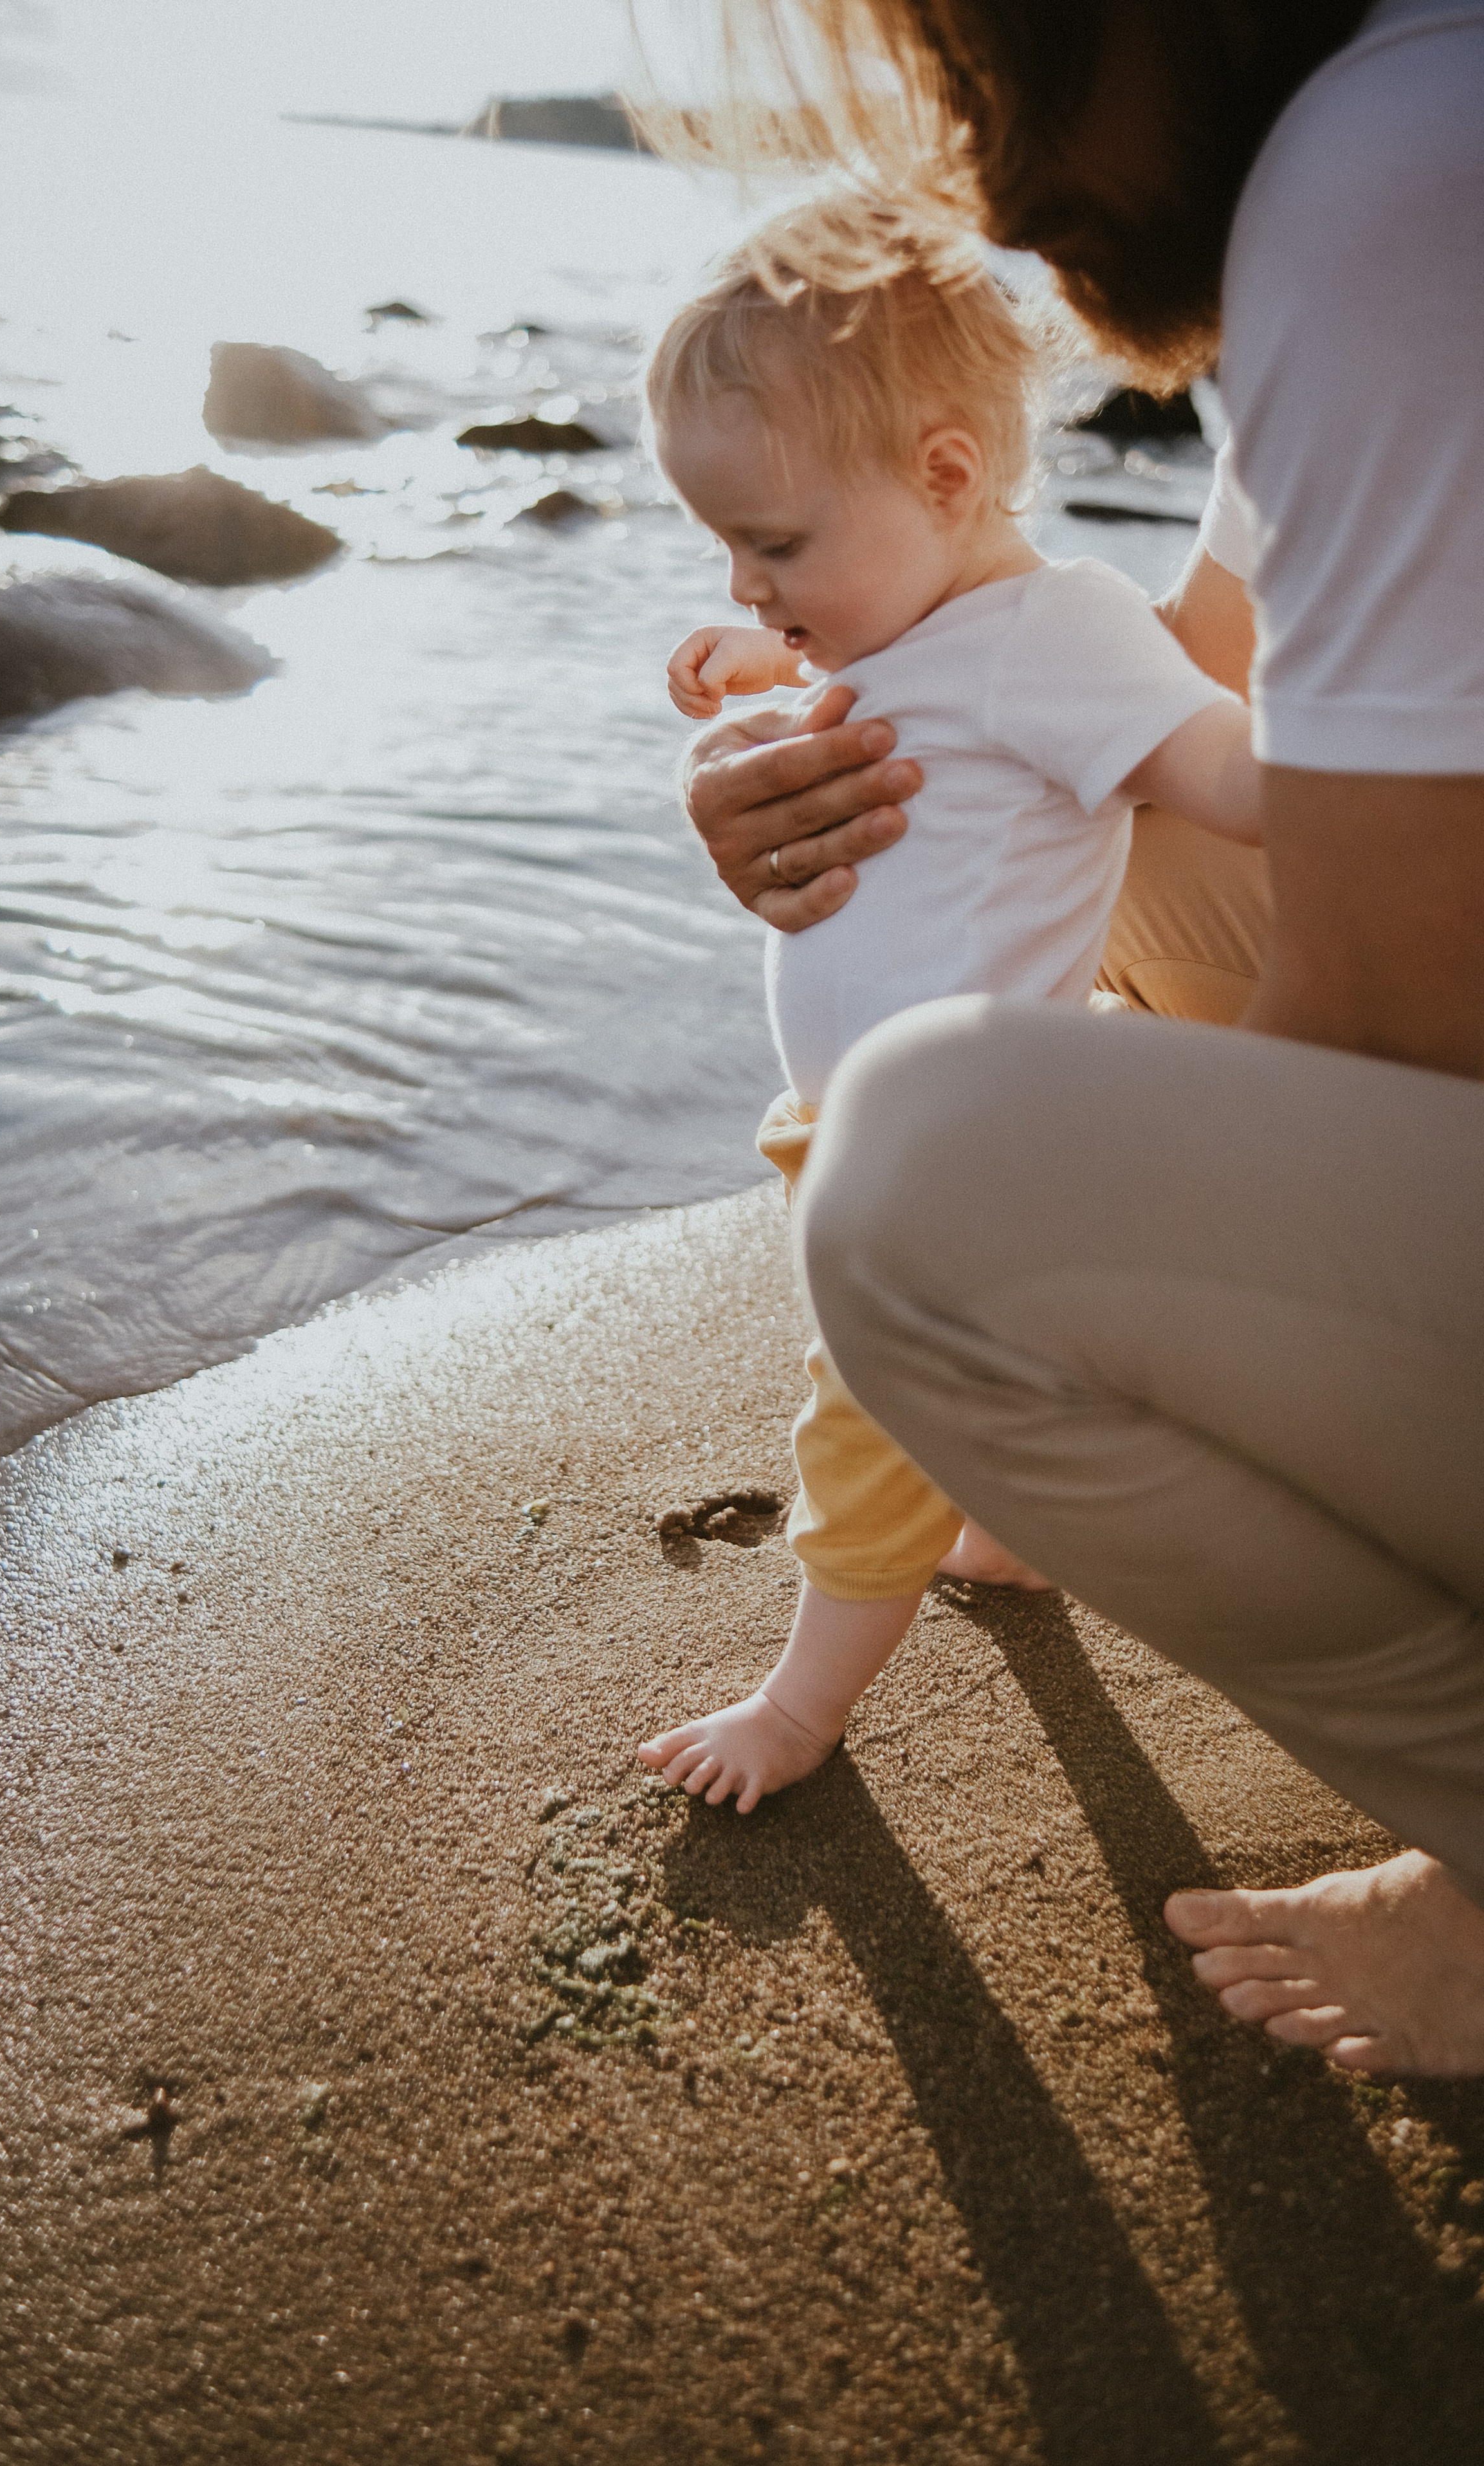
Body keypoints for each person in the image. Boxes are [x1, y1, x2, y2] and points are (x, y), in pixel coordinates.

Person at [668, 0, 1484, 2075]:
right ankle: (1019, 1437)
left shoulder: (1397, 159)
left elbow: (1288, 856)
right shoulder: (1410, 126)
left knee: (922, 1200)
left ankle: (837, 1660)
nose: (998, 178)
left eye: (979, 48)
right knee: (998, 1088)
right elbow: (1204, 694)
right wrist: (791, 728)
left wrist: (1104, 1336)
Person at [636, 198, 1260, 1814]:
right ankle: (1012, 1525)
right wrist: (750, 658)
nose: (748, 578)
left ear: (942, 477)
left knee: (866, 1418)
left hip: (953, 1148)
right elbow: (894, 691)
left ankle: (797, 1709)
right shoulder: (920, 619)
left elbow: (1222, 776)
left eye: (773, 545)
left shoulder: (1059, 636)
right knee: (979, 1371)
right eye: (726, 546)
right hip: (863, 1123)